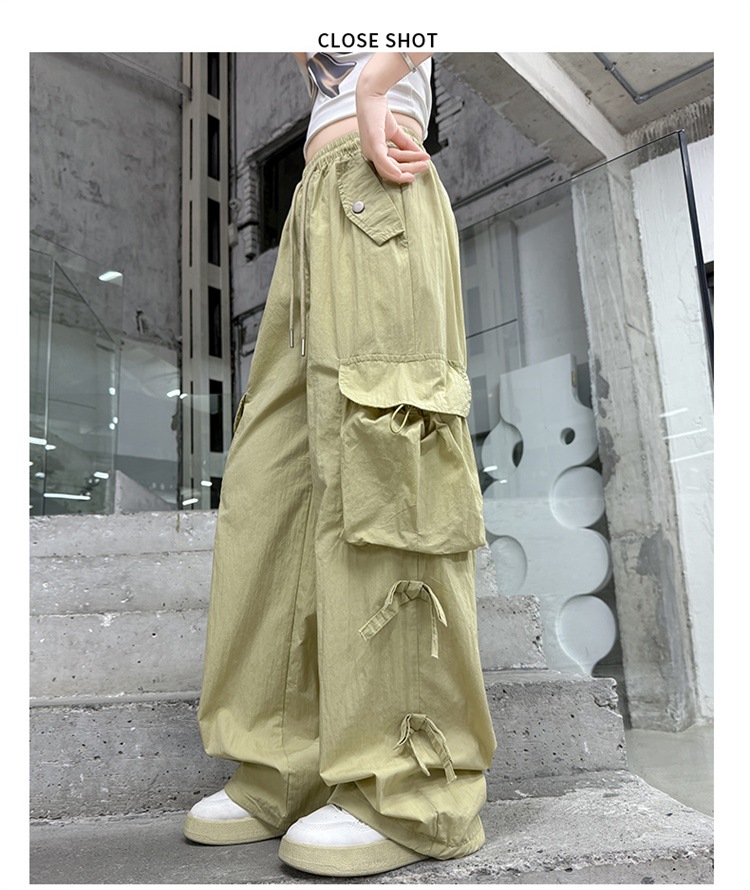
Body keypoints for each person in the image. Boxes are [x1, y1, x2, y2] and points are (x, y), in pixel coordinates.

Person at [182, 50, 498, 878]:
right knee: (274, 479)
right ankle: (282, 761)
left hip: (380, 172)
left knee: (388, 459)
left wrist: (375, 82)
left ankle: (412, 788)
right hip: (313, 202)